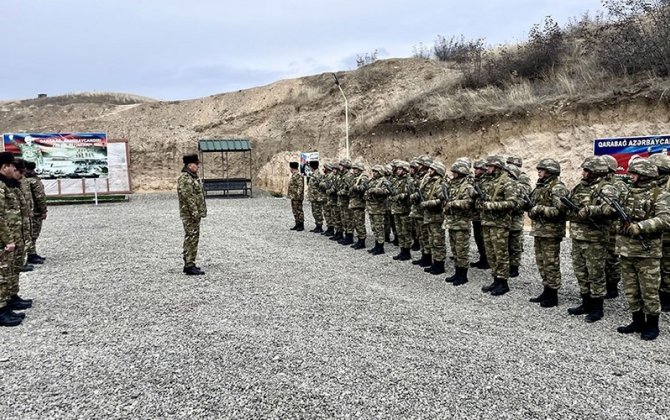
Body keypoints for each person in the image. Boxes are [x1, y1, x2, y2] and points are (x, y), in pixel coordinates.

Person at [615, 158, 670, 341]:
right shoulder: (627, 193)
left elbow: (665, 219)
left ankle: (652, 325)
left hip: (648, 252)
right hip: (626, 250)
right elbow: (615, 216)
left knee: (649, 290)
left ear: (644, 175)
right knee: (631, 289)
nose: (630, 176)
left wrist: (640, 227)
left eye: (634, 173)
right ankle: (637, 321)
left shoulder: (660, 195)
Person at [563, 156, 618, 322]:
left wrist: (590, 210)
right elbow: (568, 205)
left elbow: (611, 208)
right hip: (578, 237)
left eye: (586, 170)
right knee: (581, 272)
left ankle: (597, 308)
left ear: (595, 172)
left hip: (595, 239)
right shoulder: (580, 187)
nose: (583, 173)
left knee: (596, 274)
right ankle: (585, 302)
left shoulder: (607, 188)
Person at [528, 158, 568, 308]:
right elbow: (532, 206)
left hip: (551, 233)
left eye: (542, 169)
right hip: (539, 230)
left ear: (550, 172)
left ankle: (553, 295)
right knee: (541, 263)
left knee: (551, 263)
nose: (539, 172)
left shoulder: (557, 188)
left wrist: (540, 209)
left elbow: (561, 211)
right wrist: (532, 210)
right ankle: (546, 290)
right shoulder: (540, 187)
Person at [479, 156, 520, 296]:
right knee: (491, 254)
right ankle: (496, 279)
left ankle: (503, 283)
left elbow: (512, 203)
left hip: (500, 224)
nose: (487, 169)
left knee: (500, 253)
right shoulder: (490, 182)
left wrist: (491, 205)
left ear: (497, 168)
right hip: (487, 222)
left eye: (490, 166)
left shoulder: (508, 182)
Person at [0, 152, 28, 326]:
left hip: (12, 237)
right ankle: (1, 311)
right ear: (4, 167)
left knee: (9, 271)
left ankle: (9, 300)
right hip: (4, 240)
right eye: (12, 166)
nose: (14, 169)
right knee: (2, 275)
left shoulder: (7, 185)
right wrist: (8, 239)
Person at [443, 160, 476, 285]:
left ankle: (463, 276)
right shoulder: (453, 185)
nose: (453, 174)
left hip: (462, 223)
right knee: (455, 250)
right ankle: (457, 273)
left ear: (460, 172)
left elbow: (468, 203)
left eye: (455, 172)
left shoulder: (467, 186)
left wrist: (452, 204)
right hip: (452, 222)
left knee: (462, 251)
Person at [178, 154, 207, 275]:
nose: (198, 166)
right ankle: (189, 265)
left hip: (193, 214)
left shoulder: (192, 177)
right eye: (196, 164)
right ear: (190, 165)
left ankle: (189, 263)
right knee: (192, 238)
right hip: (190, 215)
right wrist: (195, 213)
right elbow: (188, 198)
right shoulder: (185, 178)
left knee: (193, 237)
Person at [420, 161, 447, 275]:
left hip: (436, 217)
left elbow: (443, 200)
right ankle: (434, 263)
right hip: (429, 216)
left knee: (438, 241)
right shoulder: (429, 182)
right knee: (431, 240)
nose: (429, 171)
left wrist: (428, 203)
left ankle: (439, 265)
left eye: (432, 169)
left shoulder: (440, 184)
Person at [24, 161, 48, 264]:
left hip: (30, 211)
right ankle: (31, 254)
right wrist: (43, 210)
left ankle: (32, 253)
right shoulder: (34, 181)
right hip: (35, 212)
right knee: (33, 234)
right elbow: (40, 197)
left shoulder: (24, 180)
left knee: (31, 233)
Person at [390, 161, 413, 261]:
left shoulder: (409, 180)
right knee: (399, 232)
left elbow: (408, 193)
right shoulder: (396, 180)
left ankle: (407, 252)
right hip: (396, 209)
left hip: (405, 210)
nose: (398, 171)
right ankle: (402, 250)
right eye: (397, 169)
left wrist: (398, 196)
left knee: (406, 232)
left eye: (400, 169)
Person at [365, 165, 391, 255]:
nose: (374, 173)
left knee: (379, 228)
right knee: (374, 227)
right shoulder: (372, 180)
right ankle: (376, 245)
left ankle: (380, 247)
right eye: (374, 171)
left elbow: (387, 191)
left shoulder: (384, 181)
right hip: (371, 207)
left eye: (376, 171)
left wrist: (375, 190)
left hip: (379, 208)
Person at [470, 159, 490, 269]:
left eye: (478, 169)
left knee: (484, 239)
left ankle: (487, 260)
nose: (475, 171)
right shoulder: (475, 180)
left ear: (483, 170)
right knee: (478, 238)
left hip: (483, 214)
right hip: (476, 215)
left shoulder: (486, 181)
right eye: (475, 168)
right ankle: (482, 258)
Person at [348, 162, 369, 250]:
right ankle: (359, 240)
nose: (354, 171)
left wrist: (354, 187)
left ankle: (362, 240)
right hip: (354, 203)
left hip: (359, 203)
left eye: (355, 169)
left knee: (360, 223)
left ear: (359, 169)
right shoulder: (356, 177)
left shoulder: (363, 177)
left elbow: (363, 188)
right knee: (356, 222)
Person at [306, 161, 325, 233]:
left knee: (318, 211)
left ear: (312, 167)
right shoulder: (314, 174)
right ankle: (317, 225)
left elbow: (321, 185)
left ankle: (319, 226)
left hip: (317, 197)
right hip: (314, 197)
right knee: (314, 211)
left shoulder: (318, 174)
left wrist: (318, 193)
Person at [287, 161, 304, 231]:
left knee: (299, 210)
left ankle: (301, 225)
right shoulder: (294, 175)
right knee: (295, 211)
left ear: (292, 168)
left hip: (297, 197)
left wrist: (298, 194)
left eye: (290, 168)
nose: (290, 169)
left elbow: (300, 186)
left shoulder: (298, 175)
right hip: (293, 196)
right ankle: (297, 224)